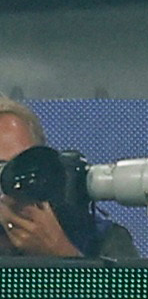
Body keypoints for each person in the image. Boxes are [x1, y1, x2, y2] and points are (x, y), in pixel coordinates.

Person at [0, 99, 137, 260]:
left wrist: (60, 251)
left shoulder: (99, 237)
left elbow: (125, 285)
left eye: (25, 163)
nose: (15, 180)